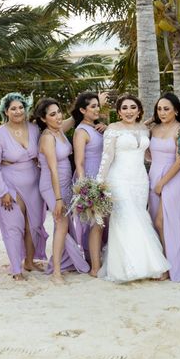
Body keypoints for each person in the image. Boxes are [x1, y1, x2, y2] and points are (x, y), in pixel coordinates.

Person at [96, 94, 170, 282]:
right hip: (118, 179)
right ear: (119, 112)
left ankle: (145, 265)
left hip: (140, 180)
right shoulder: (112, 129)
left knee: (140, 217)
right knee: (126, 219)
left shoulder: (145, 129)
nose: (129, 111)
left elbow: (147, 155)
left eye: (132, 107)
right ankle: (127, 268)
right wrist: (99, 184)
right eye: (124, 108)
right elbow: (107, 157)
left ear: (139, 110)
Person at [0, 93, 48, 281]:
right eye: (13, 108)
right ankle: (16, 269)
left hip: (34, 183)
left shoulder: (35, 129)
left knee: (34, 225)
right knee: (14, 227)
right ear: (6, 111)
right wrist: (2, 192)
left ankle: (29, 262)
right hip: (9, 184)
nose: (18, 111)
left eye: (21, 107)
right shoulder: (0, 134)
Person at [35, 98, 90, 283]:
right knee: (61, 223)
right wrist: (58, 199)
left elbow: (74, 118)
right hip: (52, 186)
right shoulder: (47, 137)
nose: (58, 117)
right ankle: (56, 271)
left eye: (58, 112)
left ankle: (65, 262)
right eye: (52, 114)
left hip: (66, 184)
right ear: (43, 119)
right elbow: (52, 170)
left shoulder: (59, 131)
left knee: (66, 224)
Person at [148, 93, 180, 282]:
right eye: (159, 109)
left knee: (164, 222)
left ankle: (170, 266)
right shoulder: (154, 129)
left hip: (174, 178)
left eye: (166, 108)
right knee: (156, 221)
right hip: (154, 175)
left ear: (176, 110)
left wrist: (162, 182)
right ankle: (163, 261)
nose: (162, 112)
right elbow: (148, 153)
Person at [71, 92, 105, 277]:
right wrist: (85, 188)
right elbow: (79, 162)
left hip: (102, 179)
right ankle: (94, 266)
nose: (97, 109)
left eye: (97, 105)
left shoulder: (97, 127)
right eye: (92, 106)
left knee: (101, 223)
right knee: (94, 224)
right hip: (90, 180)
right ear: (82, 110)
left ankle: (98, 260)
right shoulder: (81, 131)